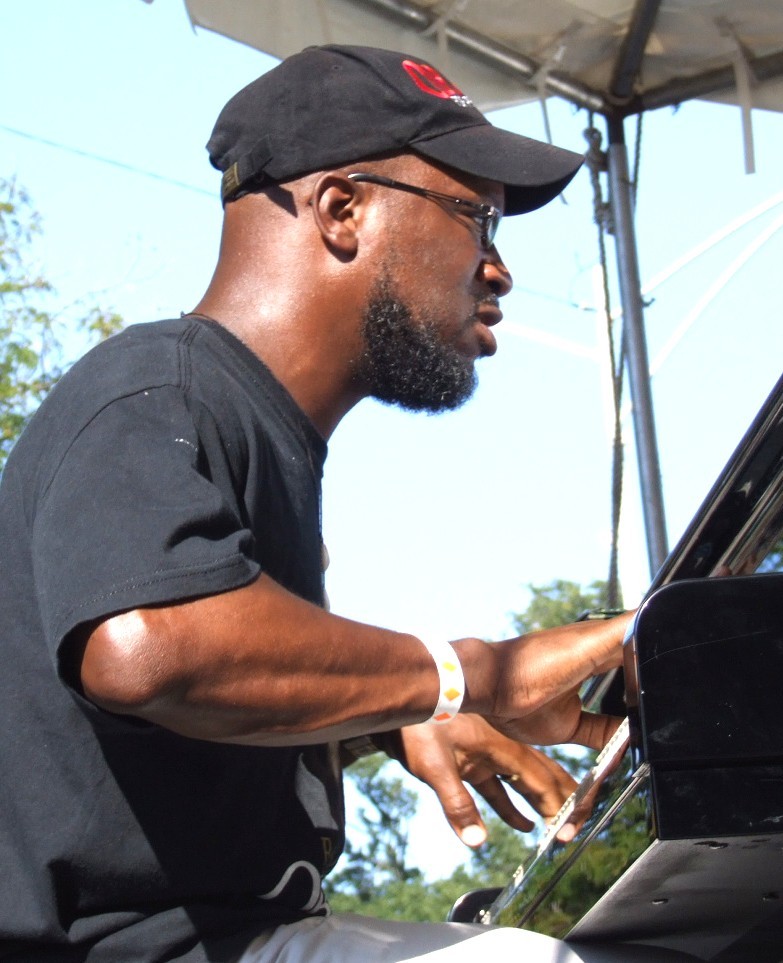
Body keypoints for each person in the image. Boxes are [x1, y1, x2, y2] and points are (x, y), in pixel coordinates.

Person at [0, 44, 697, 963]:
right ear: (342, 210)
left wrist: (384, 718)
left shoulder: (241, 422)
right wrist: (471, 674)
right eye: (475, 218)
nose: (498, 270)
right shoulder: (155, 388)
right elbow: (144, 649)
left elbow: (146, 750)